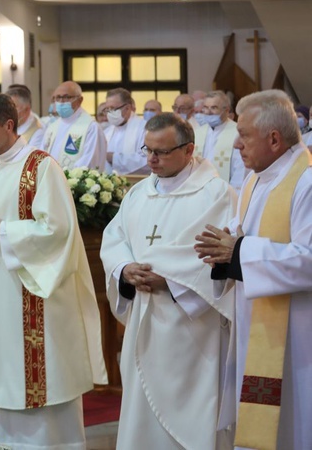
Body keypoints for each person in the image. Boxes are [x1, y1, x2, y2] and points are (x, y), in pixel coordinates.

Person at [0, 93, 107, 450]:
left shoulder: (41, 166)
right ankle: (7, 443)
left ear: (8, 125)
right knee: (7, 368)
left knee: (47, 372)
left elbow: (58, 229)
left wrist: (5, 230)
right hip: (4, 287)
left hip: (40, 287)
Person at [101, 113, 237, 450]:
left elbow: (220, 255)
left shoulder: (217, 194)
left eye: (161, 152)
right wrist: (123, 269)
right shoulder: (138, 193)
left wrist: (172, 280)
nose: (151, 159)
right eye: (147, 150)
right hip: (144, 315)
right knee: (141, 416)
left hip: (191, 329)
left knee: (191, 417)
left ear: (189, 149)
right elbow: (114, 239)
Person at [195, 89, 312, 450]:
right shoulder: (255, 178)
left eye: (243, 135)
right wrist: (224, 248)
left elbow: (308, 258)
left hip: (298, 334)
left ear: (274, 139)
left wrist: (239, 251)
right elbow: (240, 235)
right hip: (255, 321)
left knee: (295, 423)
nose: (235, 146)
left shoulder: (306, 182)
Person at [40, 81, 107, 171]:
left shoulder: (91, 127)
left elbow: (90, 162)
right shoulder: (52, 127)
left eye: (66, 97)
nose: (61, 101)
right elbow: (41, 155)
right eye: (58, 97)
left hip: (73, 182)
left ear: (80, 100)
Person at [192, 90, 246, 191]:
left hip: (226, 192)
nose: (208, 112)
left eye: (214, 107)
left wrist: (232, 194)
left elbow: (240, 168)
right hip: (199, 189)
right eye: (206, 107)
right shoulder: (197, 133)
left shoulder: (237, 133)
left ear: (226, 110)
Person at [102, 87, 149, 175]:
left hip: (136, 183)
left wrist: (113, 158)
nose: (109, 113)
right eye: (107, 109)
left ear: (127, 108)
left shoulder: (145, 129)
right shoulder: (106, 132)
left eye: (113, 109)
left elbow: (146, 159)